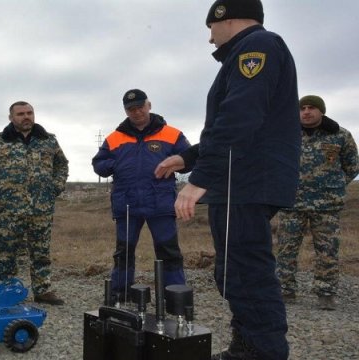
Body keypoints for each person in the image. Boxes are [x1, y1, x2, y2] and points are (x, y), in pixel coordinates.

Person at [155, 1, 300, 359]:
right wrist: (187, 158)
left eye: (211, 28)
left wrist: (199, 178)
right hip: (241, 181)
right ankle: (247, 345)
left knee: (248, 274)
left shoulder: (258, 47)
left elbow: (240, 117)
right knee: (234, 272)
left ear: (228, 19)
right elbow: (232, 123)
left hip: (247, 183)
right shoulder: (246, 53)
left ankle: (263, 352)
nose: (210, 39)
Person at [92, 89, 189, 301]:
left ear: (149, 105)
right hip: (126, 204)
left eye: (140, 107)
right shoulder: (115, 137)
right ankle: (120, 294)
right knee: (123, 251)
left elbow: (188, 159)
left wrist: (176, 164)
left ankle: (174, 299)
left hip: (161, 203)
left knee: (169, 251)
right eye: (131, 109)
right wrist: (116, 164)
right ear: (126, 111)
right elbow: (98, 164)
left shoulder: (172, 134)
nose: (136, 112)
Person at [0, 101, 69, 305]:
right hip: (10, 208)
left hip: (41, 208)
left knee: (41, 251)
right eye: (20, 114)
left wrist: (56, 186)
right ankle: (4, 290)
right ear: (11, 117)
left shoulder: (48, 141)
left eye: (29, 113)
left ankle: (42, 289)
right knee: (6, 251)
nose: (26, 117)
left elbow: (62, 165)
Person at [276, 95, 359, 311]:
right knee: (286, 249)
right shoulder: (286, 133)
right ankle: (285, 290)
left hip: (326, 205)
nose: (306, 112)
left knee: (327, 251)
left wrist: (335, 184)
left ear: (321, 111)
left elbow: (352, 165)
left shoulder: (340, 135)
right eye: (302, 108)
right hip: (291, 203)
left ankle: (326, 293)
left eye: (311, 108)